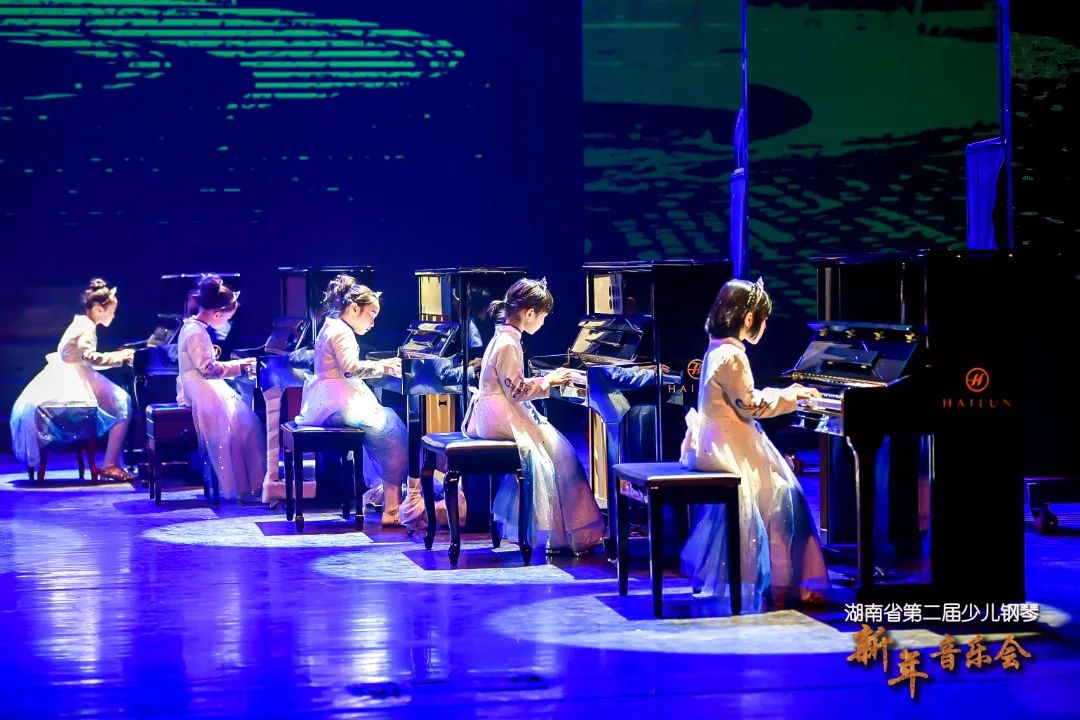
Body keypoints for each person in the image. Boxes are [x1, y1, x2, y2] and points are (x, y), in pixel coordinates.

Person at [680, 278, 828, 610]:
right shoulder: (732, 355)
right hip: (728, 444)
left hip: (715, 440)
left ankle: (780, 580)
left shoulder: (717, 346)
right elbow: (749, 406)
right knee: (783, 496)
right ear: (749, 318)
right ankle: (783, 583)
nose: (764, 325)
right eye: (763, 318)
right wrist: (791, 397)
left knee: (781, 489)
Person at [464, 277, 605, 554]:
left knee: (559, 450)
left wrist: (545, 380)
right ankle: (572, 534)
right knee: (562, 453)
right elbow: (516, 391)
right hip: (498, 415)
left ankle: (566, 533)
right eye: (542, 316)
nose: (543, 322)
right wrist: (549, 380)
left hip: (494, 411)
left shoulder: (505, 336)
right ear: (529, 313)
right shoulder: (508, 342)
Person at [294, 275, 413, 526]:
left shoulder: (332, 324)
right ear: (355, 309)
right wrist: (384, 366)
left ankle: (386, 496)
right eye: (371, 314)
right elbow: (350, 369)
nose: (373, 322)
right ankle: (392, 508)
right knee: (392, 428)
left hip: (326, 400)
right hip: (337, 402)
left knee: (382, 424)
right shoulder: (341, 331)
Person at [10, 279, 135, 480]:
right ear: (98, 309)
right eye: (112, 311)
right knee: (123, 401)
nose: (114, 315)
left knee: (119, 400)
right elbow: (90, 358)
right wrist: (123, 358)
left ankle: (110, 462)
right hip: (73, 378)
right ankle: (110, 464)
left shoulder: (81, 322)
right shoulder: (87, 328)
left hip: (70, 373)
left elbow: (86, 359)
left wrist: (118, 357)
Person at [176, 275, 265, 500]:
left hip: (200, 386)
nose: (227, 323)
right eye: (227, 319)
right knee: (244, 425)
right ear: (217, 314)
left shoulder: (194, 327)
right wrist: (241, 366)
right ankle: (244, 486)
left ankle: (250, 485)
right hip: (201, 389)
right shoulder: (196, 332)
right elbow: (208, 369)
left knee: (247, 423)